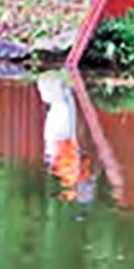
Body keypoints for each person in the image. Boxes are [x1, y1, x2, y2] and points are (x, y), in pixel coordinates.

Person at [37, 72, 96, 203]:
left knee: (63, 107)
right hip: (62, 141)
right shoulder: (73, 175)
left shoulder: (72, 175)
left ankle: (56, 80)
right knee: (65, 106)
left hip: (59, 141)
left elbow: (76, 159)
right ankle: (59, 81)